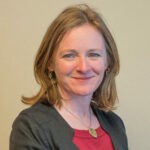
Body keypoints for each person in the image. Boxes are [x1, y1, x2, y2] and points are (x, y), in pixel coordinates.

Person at [9, 4, 128, 150]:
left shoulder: (115, 124)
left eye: (94, 54)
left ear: (107, 62)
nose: (83, 68)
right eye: (69, 55)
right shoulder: (31, 127)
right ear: (50, 63)